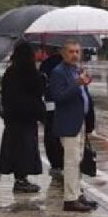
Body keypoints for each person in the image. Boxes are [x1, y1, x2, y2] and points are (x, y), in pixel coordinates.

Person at [49, 39, 97, 212]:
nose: (75, 55)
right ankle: (70, 199)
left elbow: (83, 95)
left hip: (80, 121)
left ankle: (77, 194)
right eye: (71, 51)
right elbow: (58, 96)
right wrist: (76, 84)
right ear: (63, 53)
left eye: (77, 51)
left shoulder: (76, 70)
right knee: (71, 161)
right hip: (68, 123)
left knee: (78, 160)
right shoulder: (59, 72)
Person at [0, 41, 45, 194]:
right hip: (26, 117)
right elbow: (38, 91)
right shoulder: (29, 72)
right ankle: (21, 180)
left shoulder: (10, 72)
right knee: (25, 148)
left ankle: (20, 178)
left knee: (16, 148)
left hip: (12, 118)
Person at [39, 45, 64, 180]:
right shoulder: (65, 63)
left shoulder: (45, 65)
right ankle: (62, 161)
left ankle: (55, 164)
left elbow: (40, 85)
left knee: (50, 136)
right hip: (63, 105)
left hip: (49, 104)